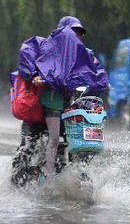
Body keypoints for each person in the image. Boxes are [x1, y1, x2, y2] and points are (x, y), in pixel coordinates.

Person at [11, 16, 109, 186]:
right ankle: (19, 179)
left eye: (80, 33)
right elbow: (29, 67)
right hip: (41, 113)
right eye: (74, 32)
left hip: (68, 112)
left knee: (80, 143)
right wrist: (37, 77)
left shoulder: (83, 56)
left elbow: (95, 74)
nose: (78, 37)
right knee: (27, 149)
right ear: (63, 33)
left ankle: (77, 176)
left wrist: (100, 84)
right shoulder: (45, 48)